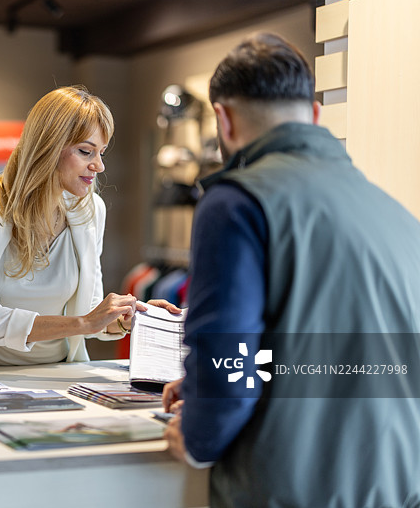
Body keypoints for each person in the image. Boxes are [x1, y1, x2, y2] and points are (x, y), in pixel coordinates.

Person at [162, 33, 420, 507]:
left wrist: (199, 435)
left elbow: (225, 355)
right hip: (398, 482)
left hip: (293, 487)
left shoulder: (236, 201)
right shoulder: (397, 214)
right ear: (316, 116)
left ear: (224, 119)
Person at [0, 85, 179, 367]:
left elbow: (88, 311)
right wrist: (83, 322)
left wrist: (125, 318)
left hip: (60, 375)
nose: (98, 166)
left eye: (102, 153)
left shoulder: (91, 209)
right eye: (86, 151)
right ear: (47, 148)